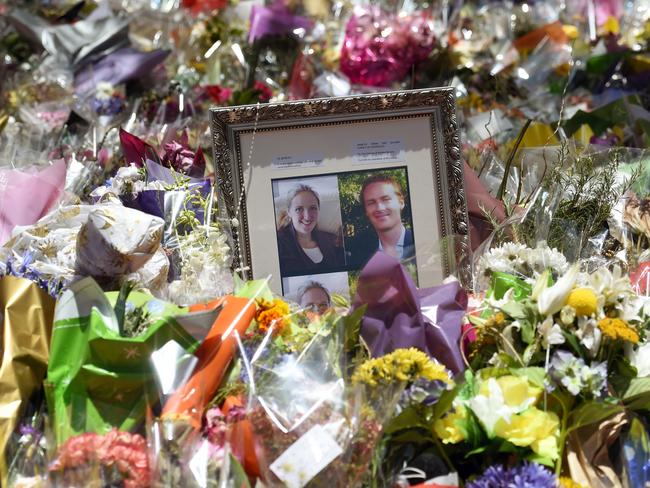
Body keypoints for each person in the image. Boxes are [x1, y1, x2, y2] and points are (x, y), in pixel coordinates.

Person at [348, 174, 415, 268]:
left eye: (386, 199)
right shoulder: (360, 256)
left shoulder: (419, 243)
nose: (379, 208)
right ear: (366, 211)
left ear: (401, 202)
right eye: (371, 203)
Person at [276, 184, 345, 275]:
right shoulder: (278, 244)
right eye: (299, 209)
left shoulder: (332, 240)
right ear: (289, 212)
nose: (307, 217)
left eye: (313, 208)